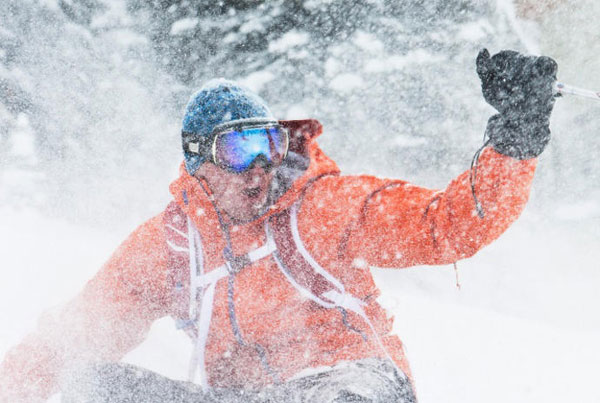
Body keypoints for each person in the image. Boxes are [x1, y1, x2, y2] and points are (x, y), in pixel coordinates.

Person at [0, 49, 558, 403]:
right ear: (199, 161)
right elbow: (73, 332)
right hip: (249, 398)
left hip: (349, 384)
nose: (261, 166)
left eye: (269, 143)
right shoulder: (172, 246)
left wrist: (515, 140)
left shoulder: (318, 207)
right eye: (239, 148)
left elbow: (447, 227)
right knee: (90, 383)